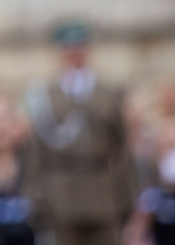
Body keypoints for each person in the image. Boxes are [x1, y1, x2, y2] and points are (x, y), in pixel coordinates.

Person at [23, 20, 137, 245]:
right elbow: (37, 154)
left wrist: (127, 197)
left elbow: (122, 148)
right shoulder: (46, 96)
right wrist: (37, 199)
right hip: (61, 195)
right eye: (68, 47)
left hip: (103, 194)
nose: (74, 52)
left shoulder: (108, 93)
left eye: (79, 46)